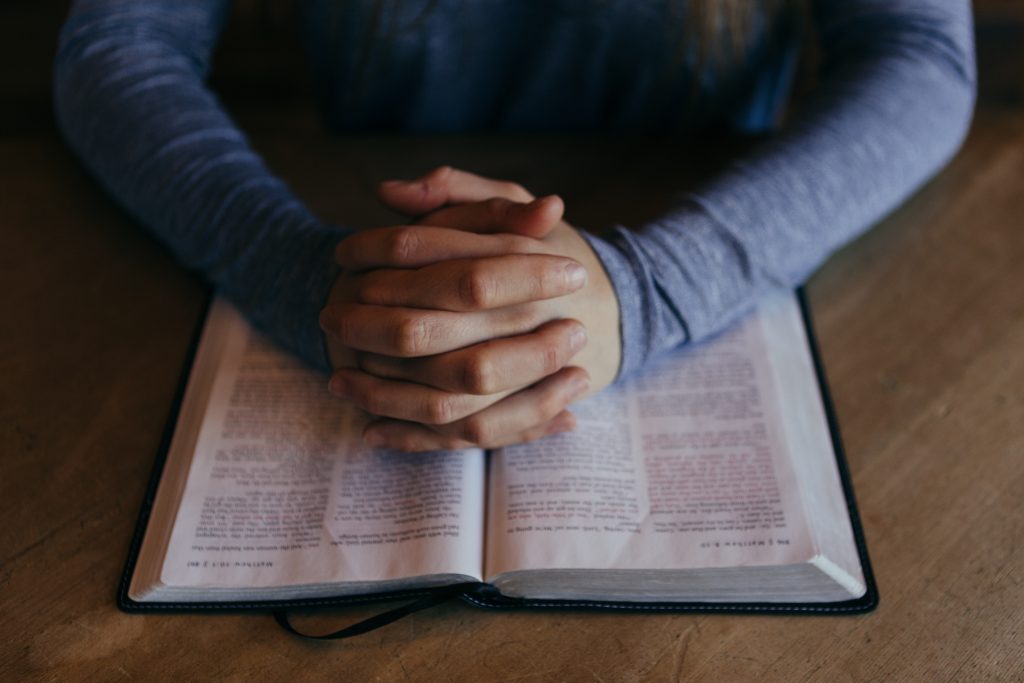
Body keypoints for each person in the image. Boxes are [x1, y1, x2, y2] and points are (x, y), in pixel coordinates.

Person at [54, 0, 976, 451]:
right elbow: (115, 45)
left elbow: (921, 55)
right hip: (369, 220)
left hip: (704, 211)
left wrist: (648, 288)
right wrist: (310, 276)